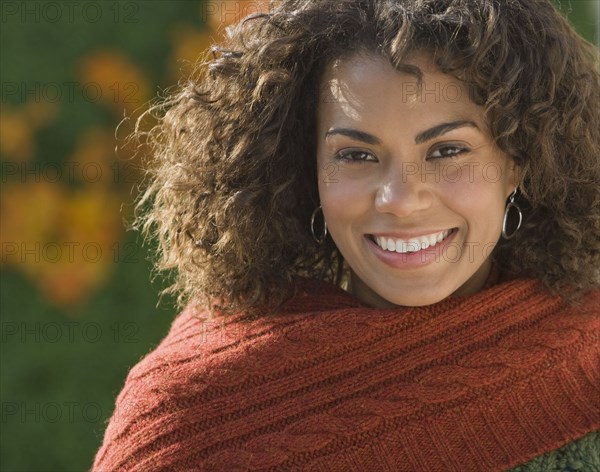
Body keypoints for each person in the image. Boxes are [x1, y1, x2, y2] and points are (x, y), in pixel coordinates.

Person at [93, 0, 600, 470]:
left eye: (447, 151)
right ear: (303, 169)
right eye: (356, 155)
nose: (400, 199)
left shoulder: (588, 352)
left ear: (519, 160)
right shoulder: (194, 414)